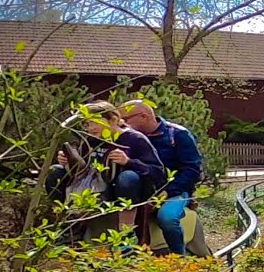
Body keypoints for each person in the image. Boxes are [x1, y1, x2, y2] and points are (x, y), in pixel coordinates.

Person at [47, 100, 165, 236]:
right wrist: (68, 161)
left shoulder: (134, 139)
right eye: (87, 124)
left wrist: (129, 162)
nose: (91, 128)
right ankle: (66, 226)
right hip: (95, 187)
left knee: (128, 177)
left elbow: (158, 173)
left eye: (96, 122)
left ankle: (126, 233)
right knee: (55, 172)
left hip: (125, 189)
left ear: (113, 120)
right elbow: (82, 169)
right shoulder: (90, 140)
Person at [121, 99, 204, 256]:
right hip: (140, 190)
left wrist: (169, 191)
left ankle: (178, 257)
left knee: (167, 218)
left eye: (126, 119)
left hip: (174, 191)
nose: (122, 124)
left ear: (144, 116)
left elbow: (192, 170)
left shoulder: (178, 135)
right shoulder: (128, 138)